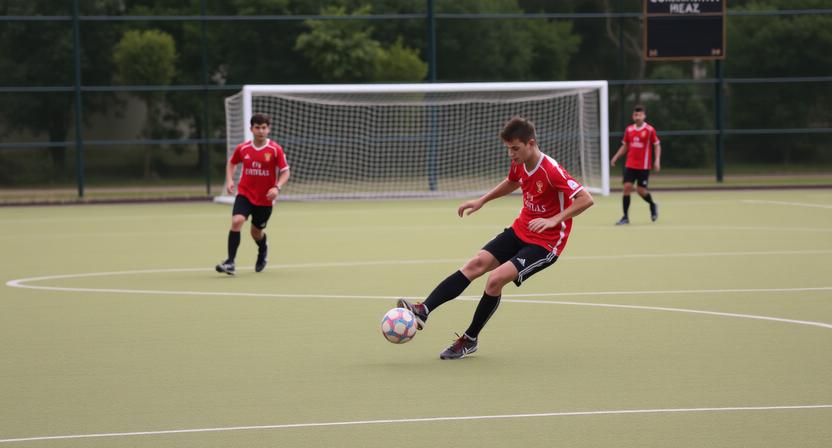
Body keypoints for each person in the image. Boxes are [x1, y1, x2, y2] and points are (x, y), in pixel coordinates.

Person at [397, 117, 594, 360]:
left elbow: (586, 198)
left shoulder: (551, 170)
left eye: (515, 148)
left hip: (546, 242)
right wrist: (482, 200)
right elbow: (513, 181)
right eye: (508, 149)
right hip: (520, 229)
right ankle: (423, 310)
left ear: (531, 144)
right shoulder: (520, 163)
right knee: (475, 264)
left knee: (495, 279)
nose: (511, 154)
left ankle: (469, 340)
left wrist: (554, 220)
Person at [215, 113, 290, 275]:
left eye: (264, 128)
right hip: (245, 193)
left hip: (265, 199)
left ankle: (263, 249)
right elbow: (232, 163)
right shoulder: (243, 148)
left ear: (268, 130)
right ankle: (230, 262)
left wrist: (277, 188)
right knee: (237, 221)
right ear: (251, 129)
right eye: (257, 127)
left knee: (255, 233)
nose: (261, 131)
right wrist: (229, 181)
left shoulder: (275, 149)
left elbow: (285, 172)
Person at [609, 105, 661, 225]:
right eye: (635, 115)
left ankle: (653, 204)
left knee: (640, 190)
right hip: (630, 164)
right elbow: (625, 145)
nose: (637, 117)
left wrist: (657, 160)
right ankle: (625, 217)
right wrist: (616, 157)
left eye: (640, 115)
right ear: (633, 116)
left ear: (644, 116)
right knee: (627, 188)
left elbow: (657, 145)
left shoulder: (649, 130)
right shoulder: (629, 130)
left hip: (643, 166)